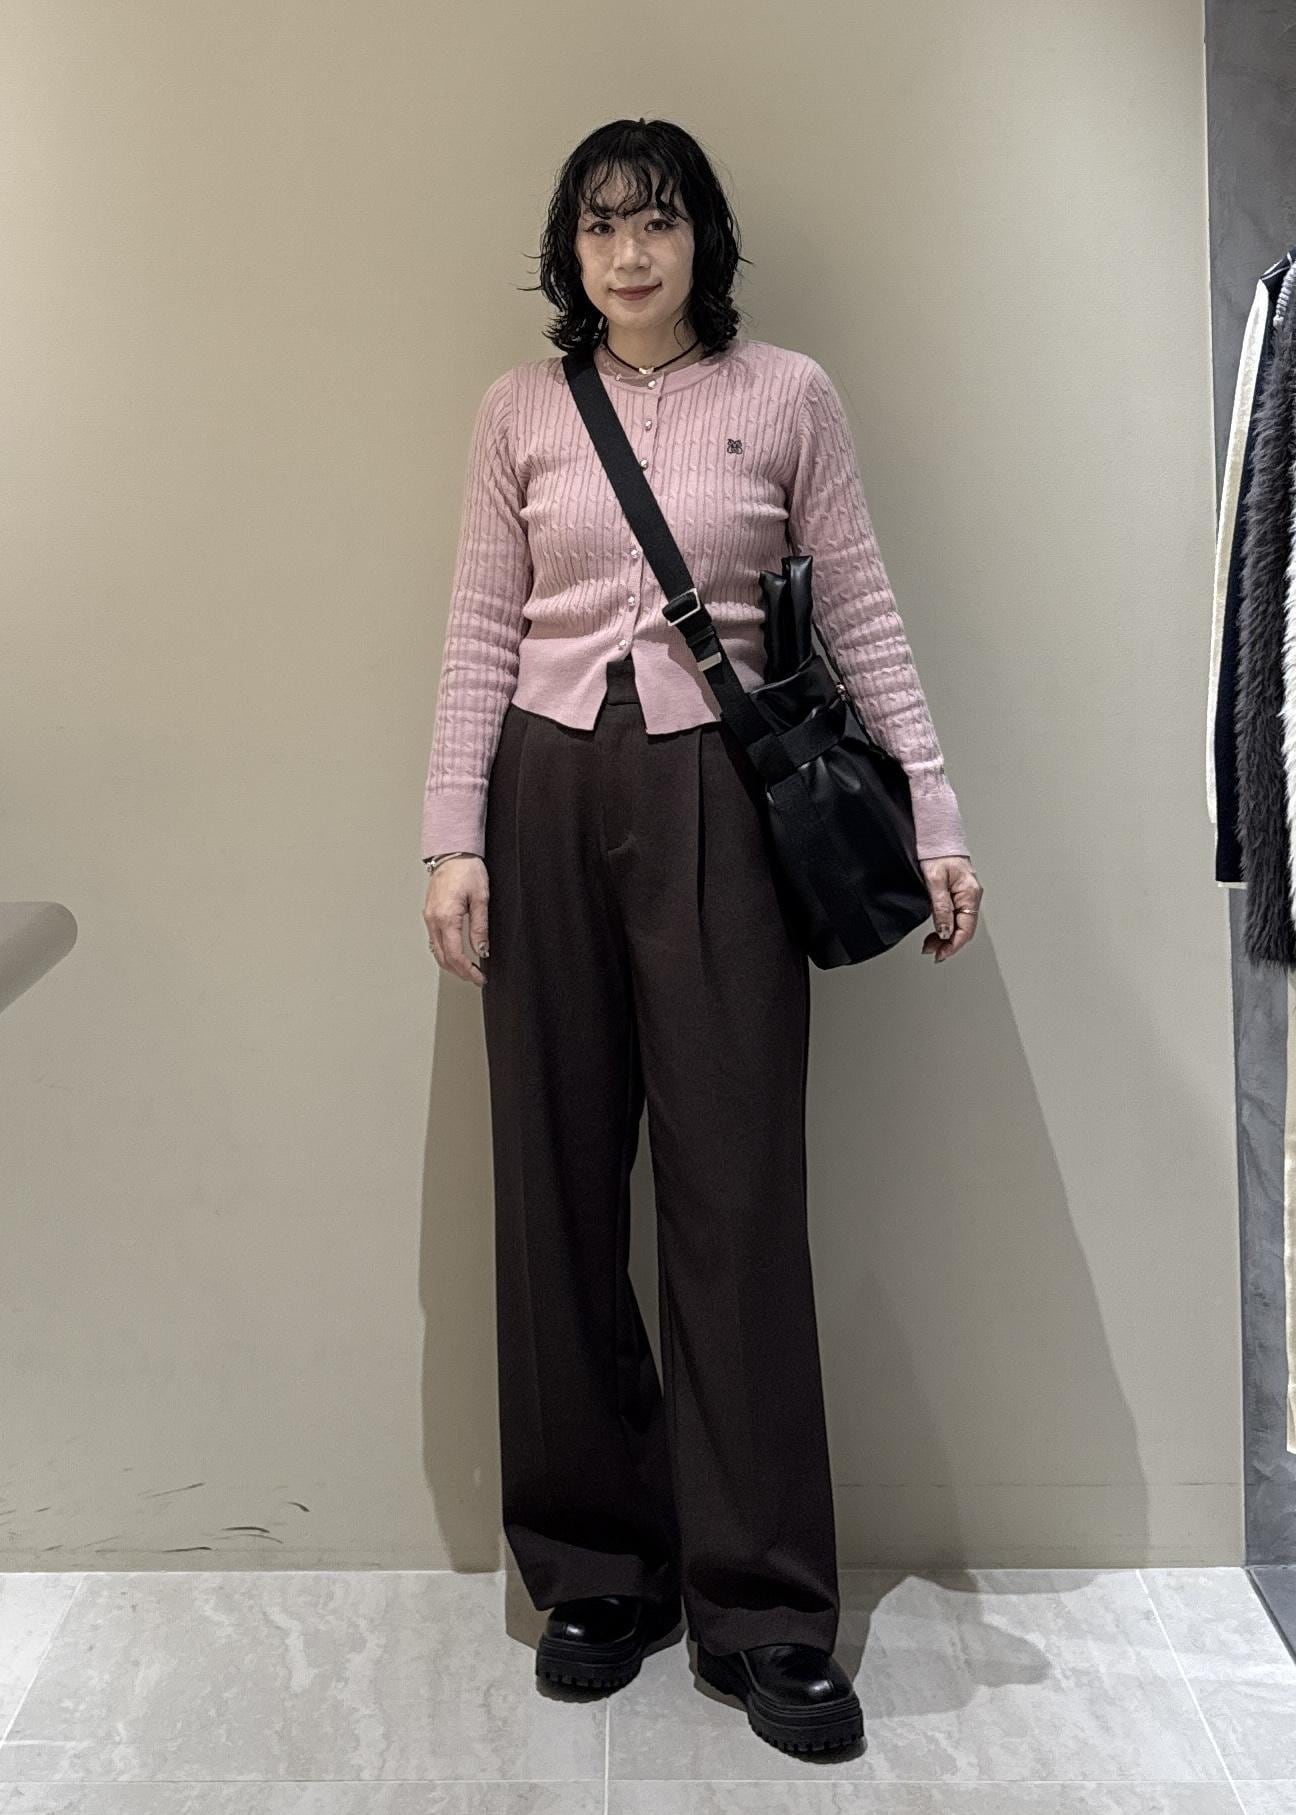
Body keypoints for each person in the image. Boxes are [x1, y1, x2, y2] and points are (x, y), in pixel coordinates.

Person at [420, 116, 983, 1756]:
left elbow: (860, 607)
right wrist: (453, 833)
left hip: (726, 807)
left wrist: (935, 811)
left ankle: (765, 1606)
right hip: (543, 789)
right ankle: (597, 1568)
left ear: (702, 241)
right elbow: (478, 626)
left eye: (657, 222)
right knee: (556, 1182)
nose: (629, 253)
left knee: (737, 1190)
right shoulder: (519, 411)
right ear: (570, 250)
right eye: (601, 226)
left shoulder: (788, 396)